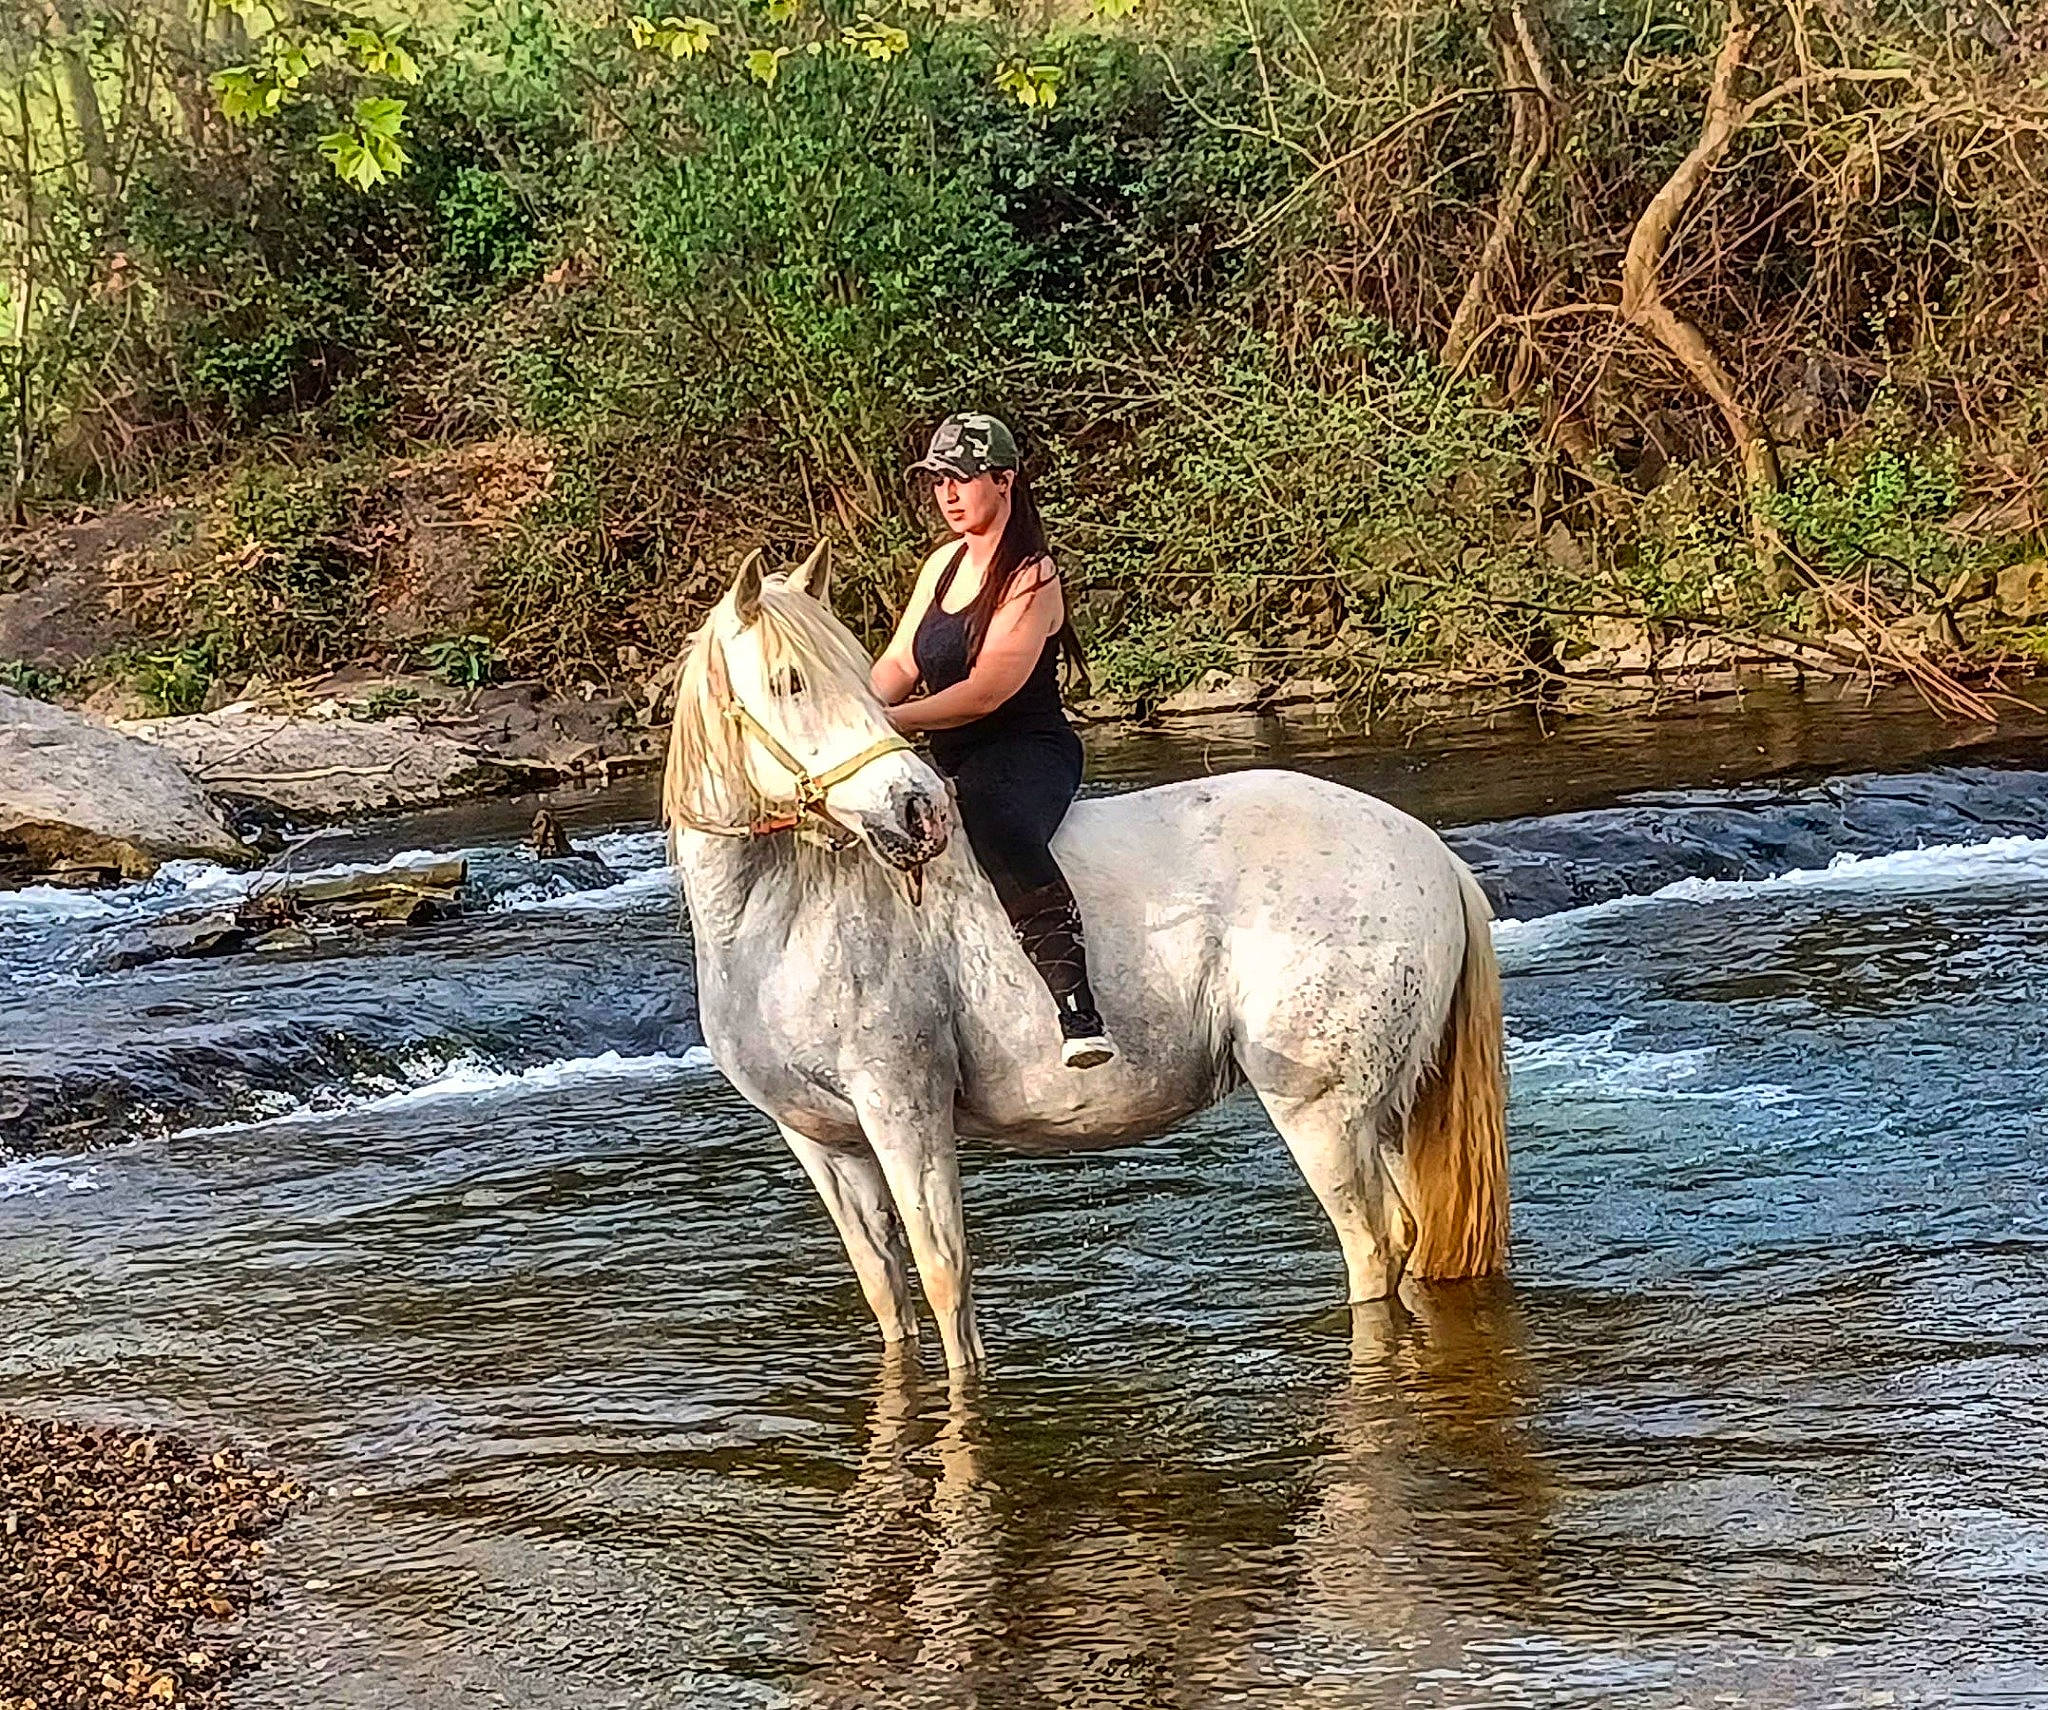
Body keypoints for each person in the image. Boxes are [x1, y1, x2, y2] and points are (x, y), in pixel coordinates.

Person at [871, 412, 1116, 1070]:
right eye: (937, 481)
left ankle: (1077, 1008)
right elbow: (898, 665)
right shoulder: (941, 566)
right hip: (949, 755)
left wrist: (892, 724)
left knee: (998, 822)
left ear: (1004, 481)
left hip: (1026, 753)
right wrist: (855, 713)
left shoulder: (1033, 577)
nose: (946, 493)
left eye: (960, 478)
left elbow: (988, 691)